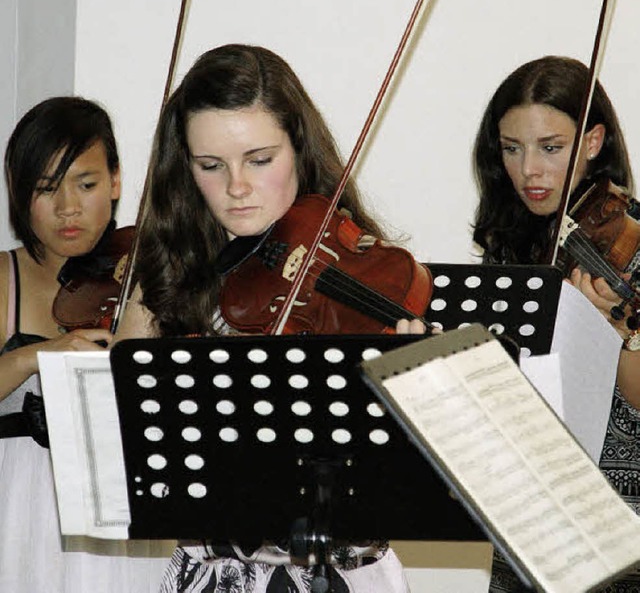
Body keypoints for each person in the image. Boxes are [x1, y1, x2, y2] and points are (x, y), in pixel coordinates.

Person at [115, 43, 424, 593]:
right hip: (215, 576)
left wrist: (418, 383)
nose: (236, 186)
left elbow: (396, 478)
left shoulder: (359, 273)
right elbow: (131, 454)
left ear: (299, 152)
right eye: (211, 166)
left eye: (260, 160)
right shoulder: (163, 285)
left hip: (338, 575)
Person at [471, 55, 640, 591]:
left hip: (620, 507)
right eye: (512, 149)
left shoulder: (630, 239)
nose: (529, 171)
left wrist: (616, 331)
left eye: (551, 147)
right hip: (532, 511)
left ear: (592, 142)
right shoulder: (509, 246)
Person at [0, 96, 172, 592]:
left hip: (119, 507)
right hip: (17, 508)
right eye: (45, 189)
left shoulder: (145, 272)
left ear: (116, 180)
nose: (67, 207)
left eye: (87, 184)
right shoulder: (4, 277)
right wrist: (34, 355)